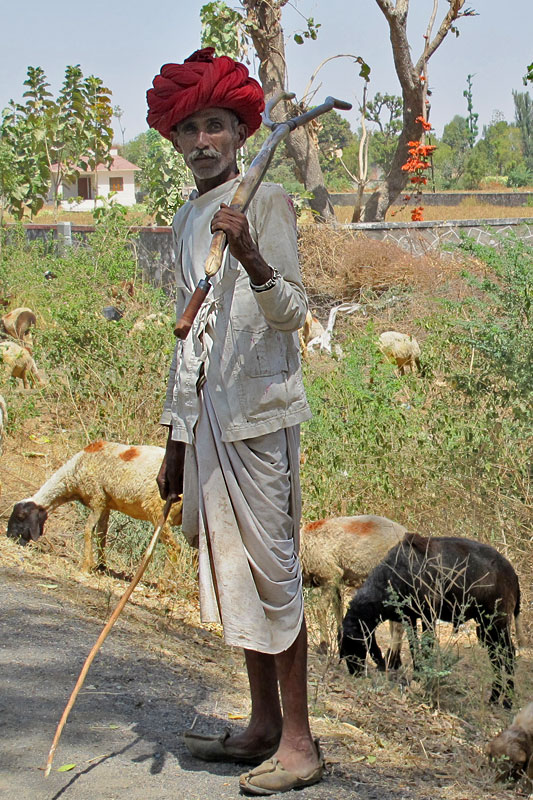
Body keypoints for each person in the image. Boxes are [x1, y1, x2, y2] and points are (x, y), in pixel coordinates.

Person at [146, 48, 324, 795]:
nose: (202, 141)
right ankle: (260, 725)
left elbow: (293, 313)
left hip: (259, 418)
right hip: (208, 423)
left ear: (241, 131)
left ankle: (301, 744)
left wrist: (249, 252)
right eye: (188, 130)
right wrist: (174, 440)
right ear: (175, 140)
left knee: (274, 576)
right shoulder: (189, 218)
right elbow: (190, 340)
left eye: (214, 125)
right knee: (235, 576)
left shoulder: (267, 201)